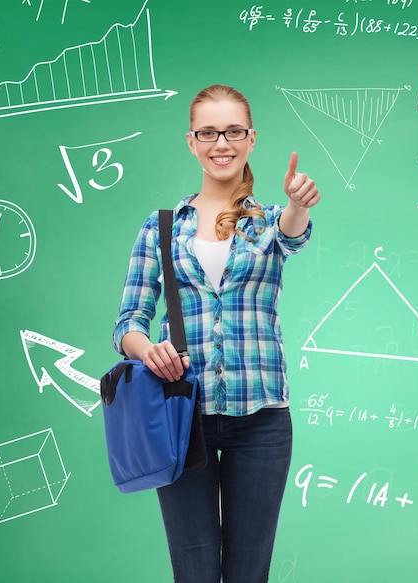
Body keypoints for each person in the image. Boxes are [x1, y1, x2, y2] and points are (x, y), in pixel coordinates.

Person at [112, 84, 320, 583]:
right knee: (196, 573)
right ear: (191, 141)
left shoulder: (267, 222)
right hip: (182, 419)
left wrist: (298, 203)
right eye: (208, 132)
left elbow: (293, 234)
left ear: (250, 139)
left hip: (262, 418)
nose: (220, 142)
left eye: (232, 131)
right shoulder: (161, 227)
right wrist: (149, 351)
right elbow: (129, 323)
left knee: (249, 574)